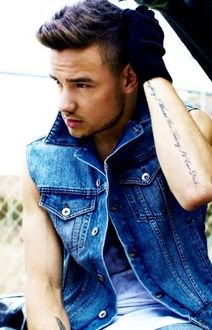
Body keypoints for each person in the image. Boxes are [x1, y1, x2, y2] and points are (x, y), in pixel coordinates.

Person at [22, 1, 212, 329]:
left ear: (128, 78)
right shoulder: (43, 161)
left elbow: (196, 188)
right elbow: (44, 288)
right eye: (58, 82)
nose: (65, 103)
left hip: (182, 319)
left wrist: (153, 71)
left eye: (82, 84)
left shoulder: (189, 129)